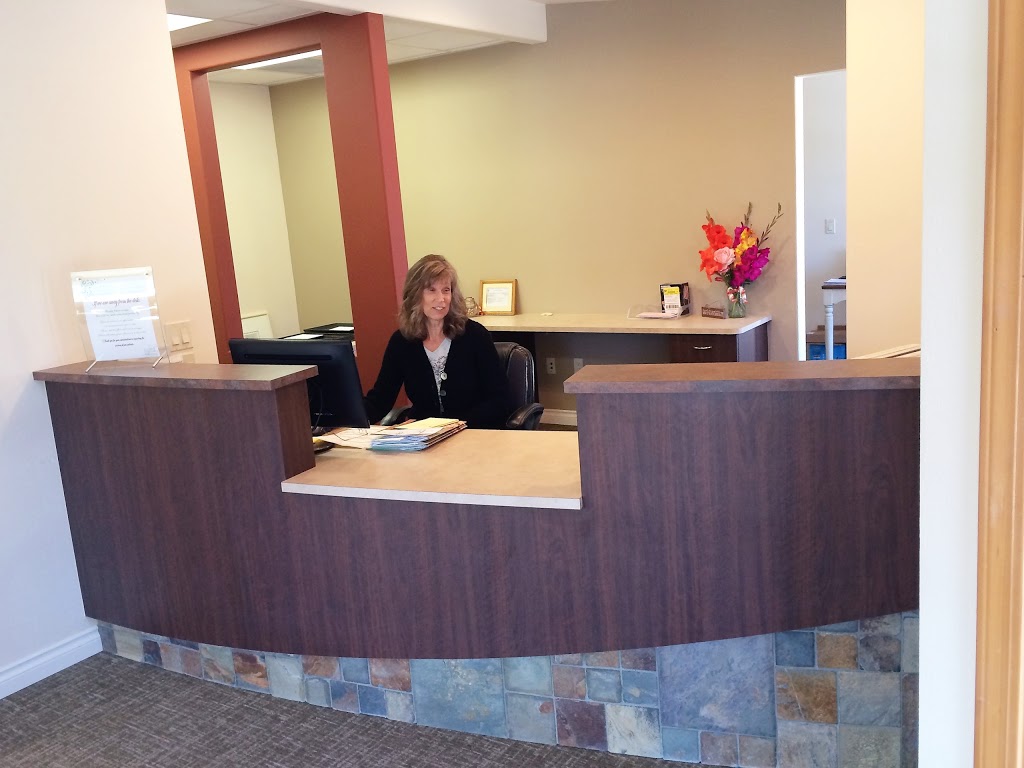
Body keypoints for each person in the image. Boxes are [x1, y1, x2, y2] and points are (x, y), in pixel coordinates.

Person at [363, 254, 512, 429]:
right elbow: (380, 399)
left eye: (446, 290)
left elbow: (501, 401)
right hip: (425, 438)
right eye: (431, 290)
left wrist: (453, 425)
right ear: (415, 294)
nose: (441, 299)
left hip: (474, 432)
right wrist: (346, 417)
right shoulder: (402, 341)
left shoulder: (475, 335)